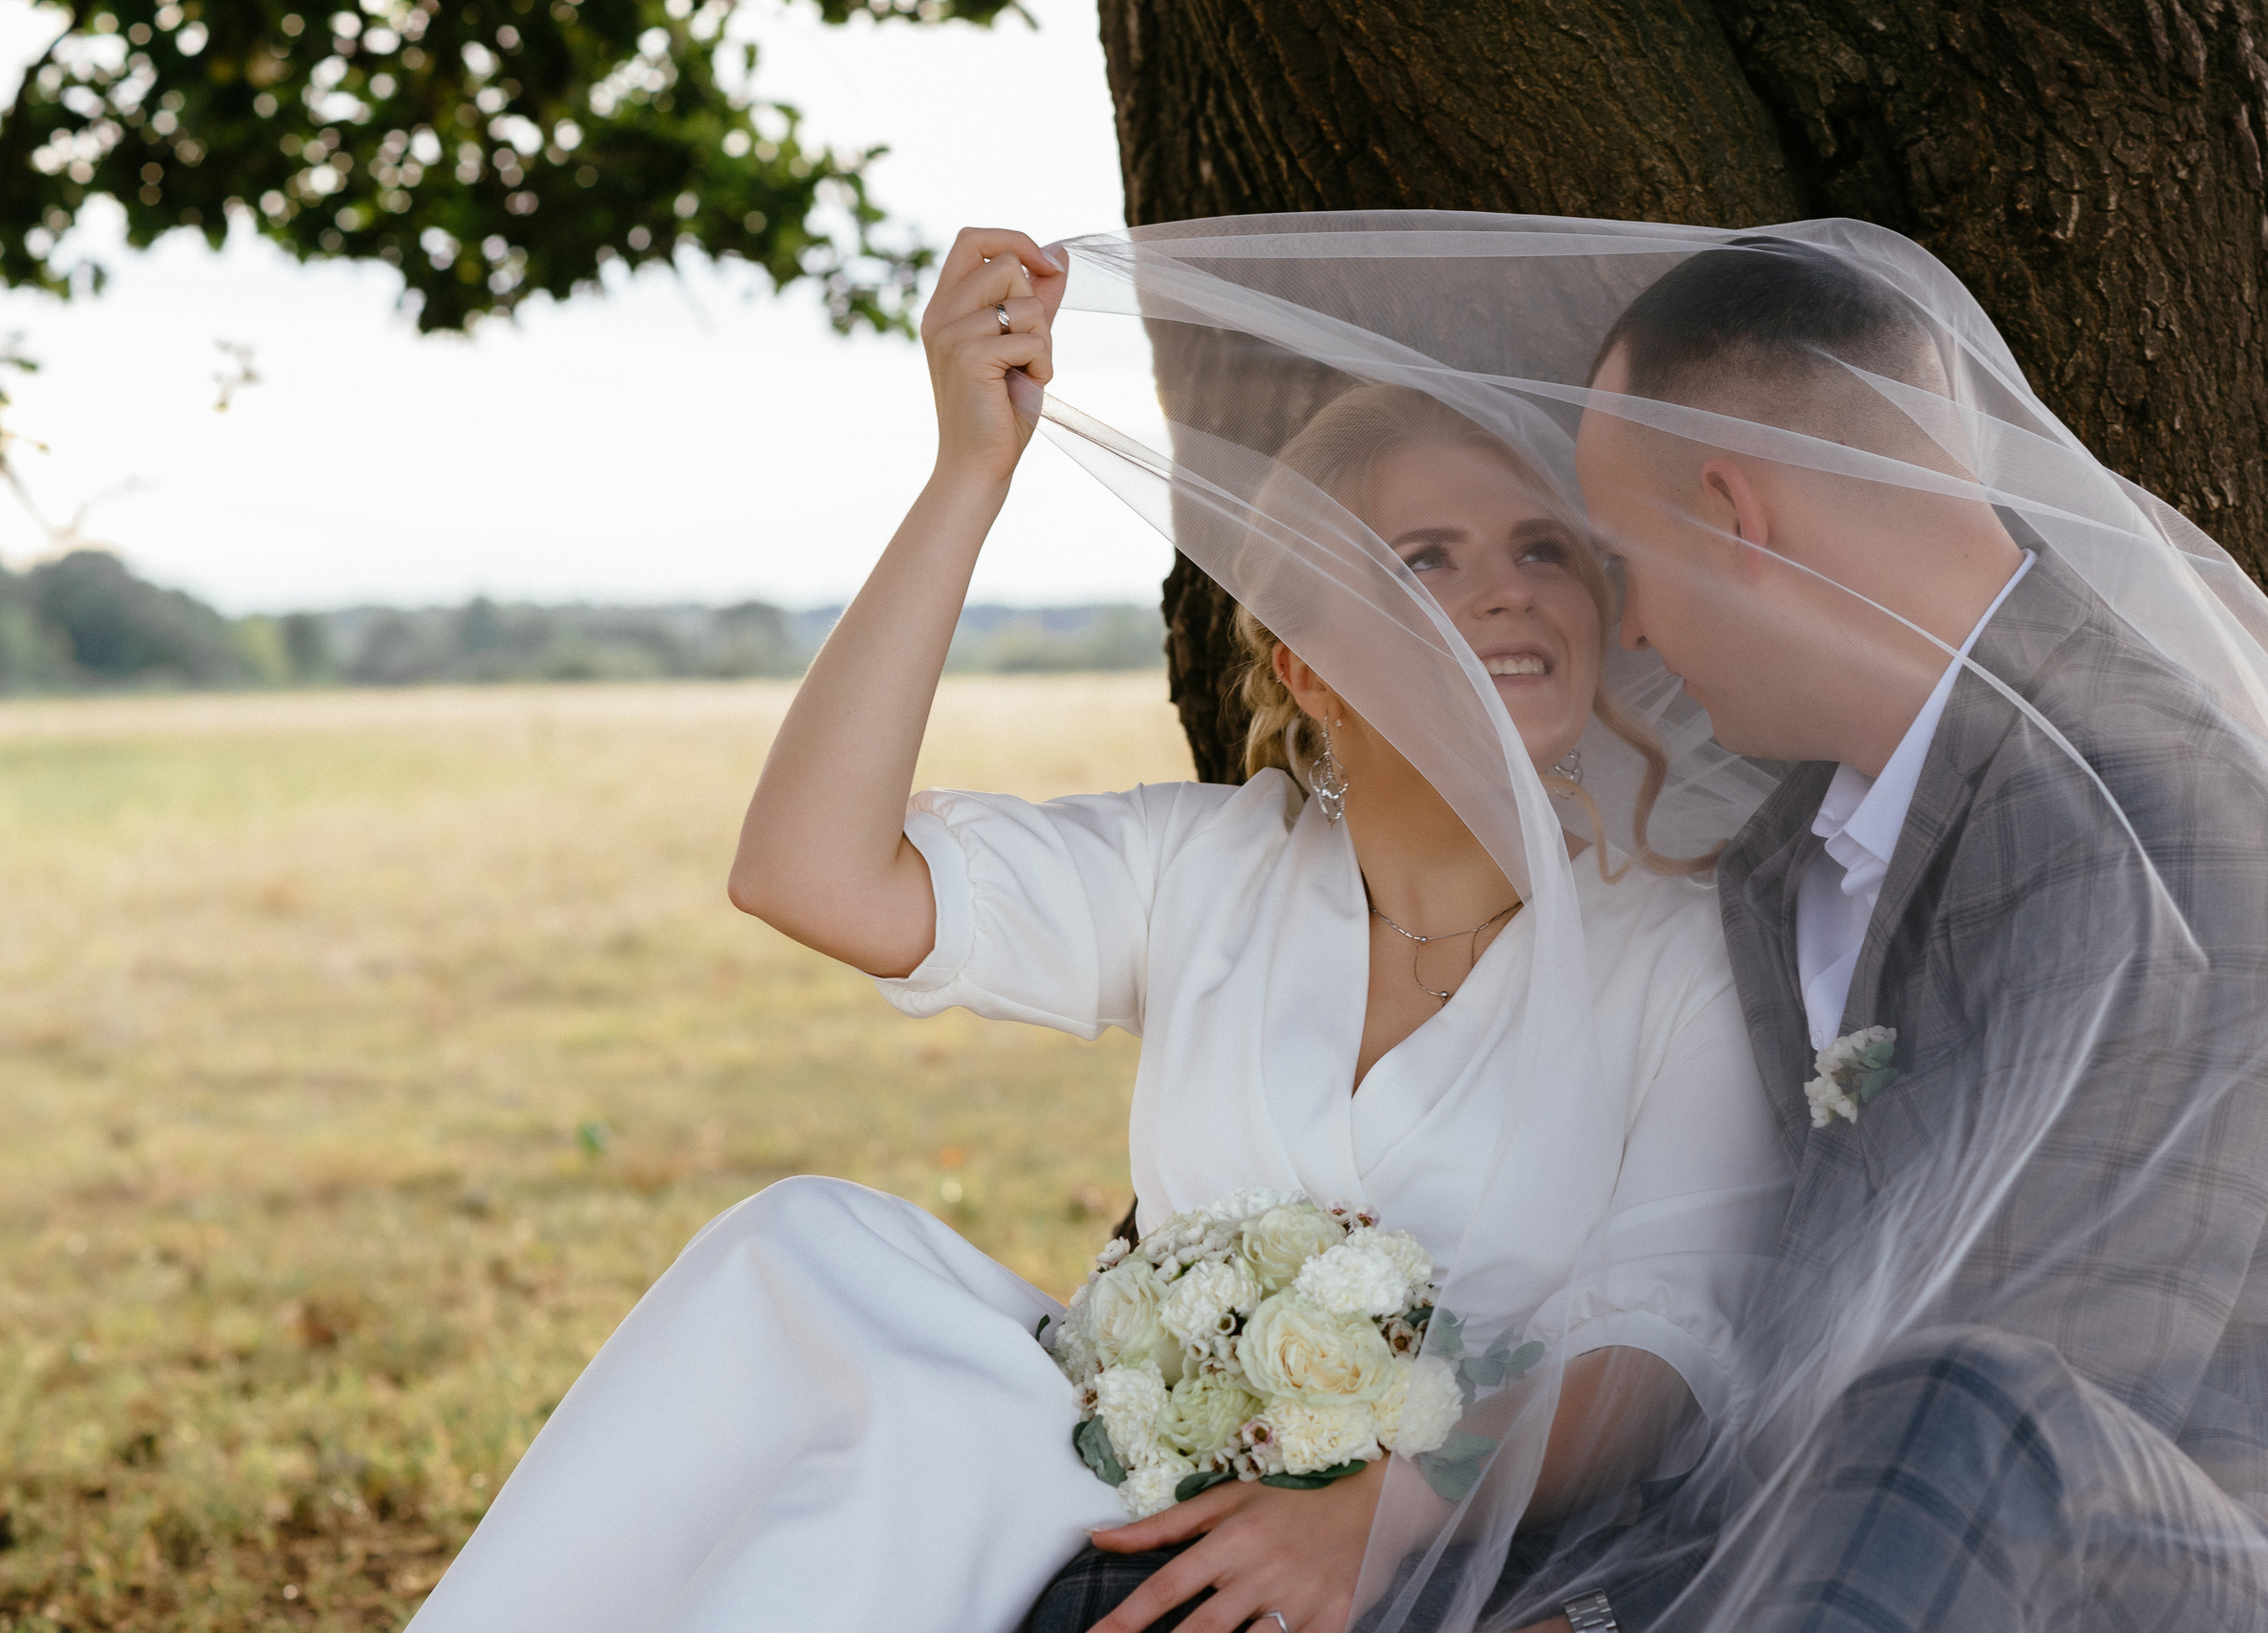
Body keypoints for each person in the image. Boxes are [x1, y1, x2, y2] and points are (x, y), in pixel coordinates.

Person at [399, 228, 1790, 1633]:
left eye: (1543, 548)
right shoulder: (1205, 870)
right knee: (809, 1245)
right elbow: (809, 875)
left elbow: (1656, 1349)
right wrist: (968, 475)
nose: (1509, 587)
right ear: (1305, 658)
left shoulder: (1678, 952)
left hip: (1466, 1556)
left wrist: (1373, 1516)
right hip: (1131, 1510)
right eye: (1427, 555)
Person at [1500, 234, 2268, 1632]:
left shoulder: (2156, 826)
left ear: (1732, 512)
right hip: (1896, 1549)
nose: (1630, 628)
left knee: (1960, 1404)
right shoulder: (1786, 865)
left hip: (2258, 1563)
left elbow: (2011, 1385)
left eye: (1629, 560)